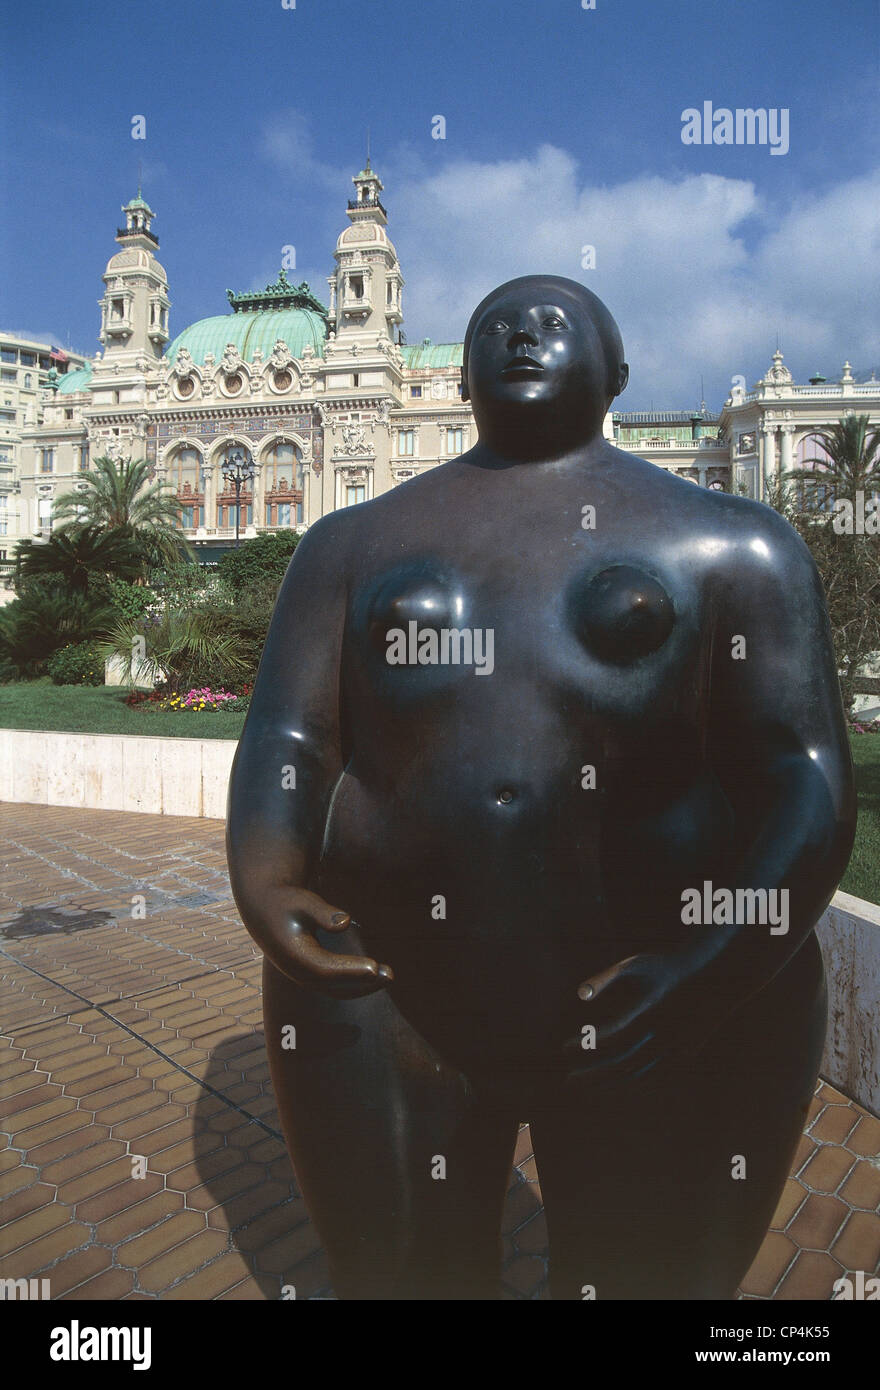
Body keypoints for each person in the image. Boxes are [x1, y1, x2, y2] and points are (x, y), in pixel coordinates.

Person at [226, 275, 856, 1299]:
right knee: (399, 1276)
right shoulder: (345, 546)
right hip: (388, 983)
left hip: (666, 988)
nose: (521, 336)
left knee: (651, 1277)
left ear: (617, 371)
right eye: (494, 328)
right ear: (460, 371)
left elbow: (803, 776)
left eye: (552, 323)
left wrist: (715, 957)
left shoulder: (734, 543)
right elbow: (290, 732)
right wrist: (265, 870)